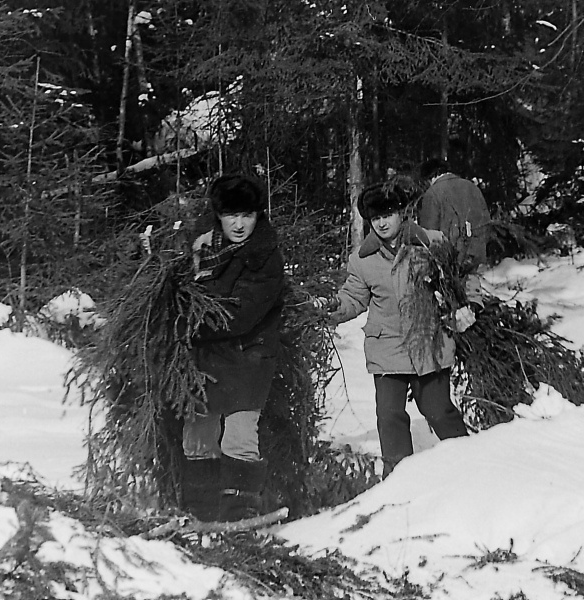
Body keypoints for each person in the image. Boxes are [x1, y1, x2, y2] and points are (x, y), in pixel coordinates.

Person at [319, 183, 475, 478]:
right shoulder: (362, 260)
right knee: (389, 416)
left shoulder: (431, 244)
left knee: (438, 411)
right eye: (375, 217)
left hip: (429, 344)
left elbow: (462, 279)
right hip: (387, 348)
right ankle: (399, 480)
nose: (382, 222)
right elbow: (352, 299)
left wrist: (470, 306)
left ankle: (468, 467)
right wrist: (327, 308)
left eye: (388, 214)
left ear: (402, 213)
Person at [183, 174, 284, 522]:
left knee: (238, 436)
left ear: (258, 216)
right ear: (219, 216)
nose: (239, 225)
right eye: (231, 216)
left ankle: (238, 517)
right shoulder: (201, 250)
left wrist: (190, 323)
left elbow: (240, 314)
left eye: (247, 216)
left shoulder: (265, 256)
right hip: (207, 360)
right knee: (197, 435)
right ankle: (201, 515)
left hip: (249, 357)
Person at [418, 158, 491, 269]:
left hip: (448, 262)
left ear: (429, 177)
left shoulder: (432, 193)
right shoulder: (472, 187)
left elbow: (428, 234)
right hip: (476, 258)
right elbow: (486, 223)